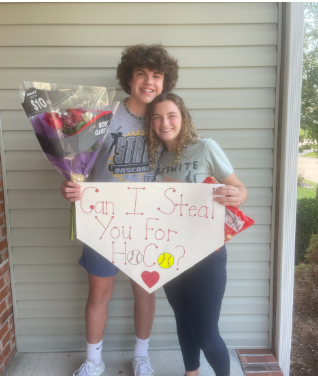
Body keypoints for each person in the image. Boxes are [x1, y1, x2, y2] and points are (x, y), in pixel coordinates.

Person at [60, 45, 179, 376]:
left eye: (156, 75)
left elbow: (184, 165)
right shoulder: (104, 115)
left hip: (149, 223)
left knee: (146, 288)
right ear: (128, 77)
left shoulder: (167, 118)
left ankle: (142, 356)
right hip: (103, 221)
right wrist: (69, 186)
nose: (148, 81)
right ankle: (93, 360)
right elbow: (75, 169)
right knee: (99, 293)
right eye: (141, 73)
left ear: (165, 81)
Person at [145, 93, 248, 376]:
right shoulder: (153, 157)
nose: (164, 122)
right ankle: (192, 372)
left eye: (171, 115)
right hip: (167, 253)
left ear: (183, 118)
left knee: (206, 334)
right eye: (157, 116)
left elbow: (240, 189)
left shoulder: (205, 148)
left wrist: (234, 196)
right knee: (183, 320)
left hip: (206, 253)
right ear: (151, 122)